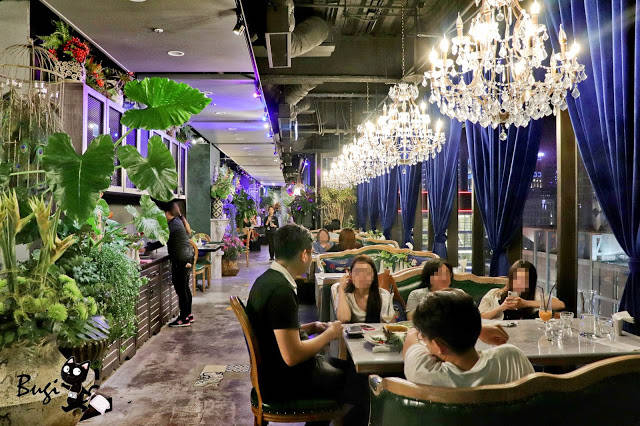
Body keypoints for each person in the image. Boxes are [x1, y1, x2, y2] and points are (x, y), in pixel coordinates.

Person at [245, 224, 368, 424]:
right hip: (284, 382)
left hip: (271, 374)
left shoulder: (265, 281)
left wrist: (311, 327)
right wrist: (329, 334)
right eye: (310, 254)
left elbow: (271, 331)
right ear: (304, 255)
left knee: (352, 370)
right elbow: (292, 356)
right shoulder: (281, 291)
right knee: (364, 382)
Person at [403, 289, 534, 387]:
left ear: (439, 346)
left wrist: (476, 328)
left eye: (424, 340)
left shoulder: (423, 371)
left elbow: (411, 334)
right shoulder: (511, 358)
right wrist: (474, 327)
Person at [479, 260, 566, 320]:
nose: (519, 283)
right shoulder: (494, 294)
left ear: (530, 282)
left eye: (524, 280)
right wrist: (501, 307)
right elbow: (480, 317)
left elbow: (560, 305)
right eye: (516, 278)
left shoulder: (536, 295)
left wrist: (525, 303)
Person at [154, 200, 194, 327]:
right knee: (185, 288)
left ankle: (183, 319)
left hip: (181, 260)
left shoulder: (172, 225)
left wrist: (146, 248)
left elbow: (162, 241)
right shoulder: (177, 221)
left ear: (166, 213)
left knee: (181, 290)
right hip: (187, 258)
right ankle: (188, 315)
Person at [332, 255, 395, 323]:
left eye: (367, 273)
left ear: (373, 276)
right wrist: (341, 289)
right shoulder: (345, 296)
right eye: (357, 272)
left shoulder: (383, 295)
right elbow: (344, 319)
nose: (361, 277)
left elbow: (390, 324)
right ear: (350, 275)